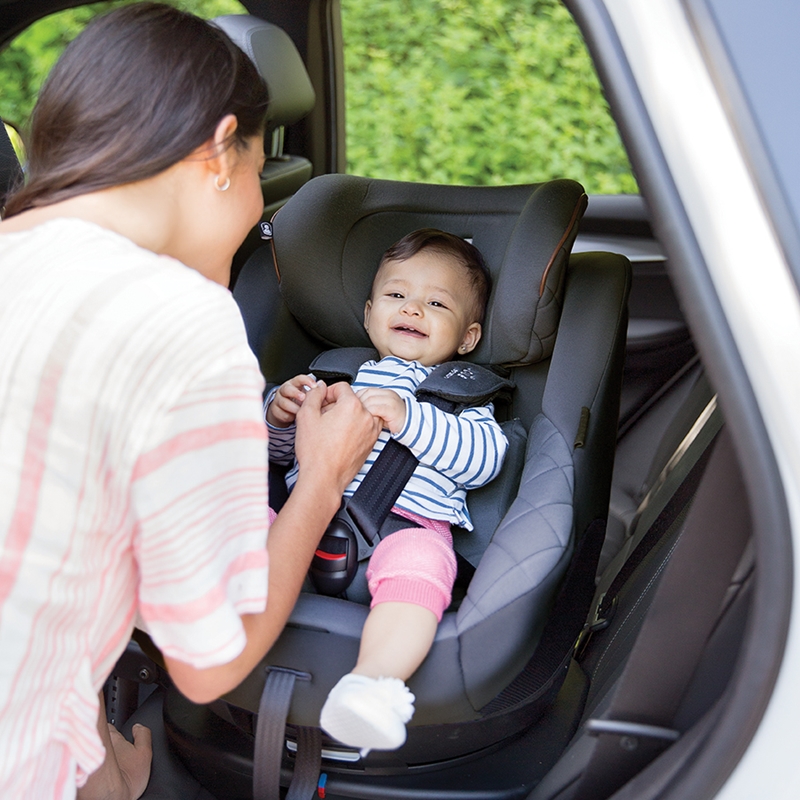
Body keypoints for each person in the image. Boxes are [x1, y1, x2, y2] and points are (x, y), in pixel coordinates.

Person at [0, 5, 379, 799]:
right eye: (257, 170)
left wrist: (95, 752)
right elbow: (211, 664)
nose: (254, 214)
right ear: (219, 151)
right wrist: (322, 478)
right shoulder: (177, 320)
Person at [266, 229, 509, 754]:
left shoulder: (462, 398)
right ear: (371, 312)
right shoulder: (334, 376)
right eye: (398, 296)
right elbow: (280, 455)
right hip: (298, 520)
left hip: (406, 526)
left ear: (467, 337)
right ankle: (206, 620)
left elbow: (484, 462)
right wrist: (282, 415)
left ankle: (372, 684)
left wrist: (410, 419)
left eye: (436, 303)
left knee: (423, 565)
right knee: (240, 517)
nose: (414, 309)